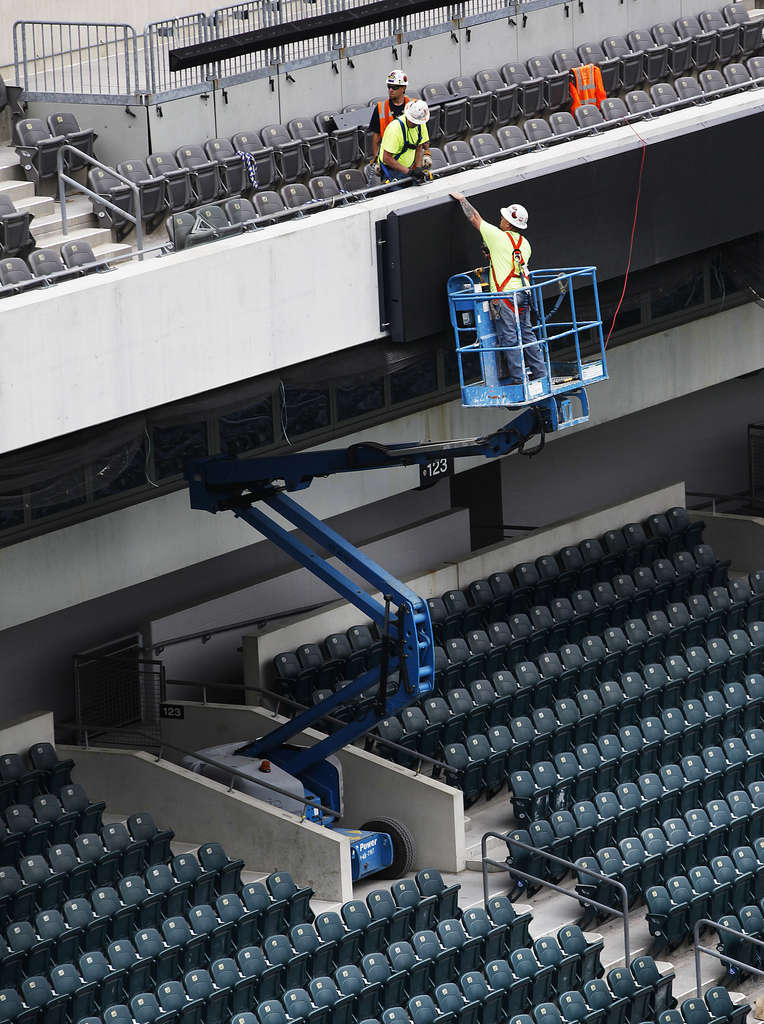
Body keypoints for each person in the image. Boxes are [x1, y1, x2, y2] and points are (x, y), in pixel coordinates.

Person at [450, 191, 547, 385]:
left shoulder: (497, 236)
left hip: (506, 296)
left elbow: (474, 218)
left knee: (509, 338)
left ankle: (519, 381)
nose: (500, 220)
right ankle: (541, 374)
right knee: (527, 334)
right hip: (523, 293)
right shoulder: (524, 244)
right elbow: (511, 263)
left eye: (503, 218)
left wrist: (462, 200)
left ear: (509, 223)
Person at [367, 71, 432, 181]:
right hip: (391, 158)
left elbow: (421, 138)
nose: (390, 90)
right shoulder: (380, 108)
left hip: (409, 160)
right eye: (389, 87)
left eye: (394, 87)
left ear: (403, 88)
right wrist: (376, 158)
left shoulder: (414, 107)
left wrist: (427, 152)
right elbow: (376, 137)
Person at [376, 100, 430, 183]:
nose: (414, 124)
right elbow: (387, 158)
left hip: (409, 169)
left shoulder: (420, 124)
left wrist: (418, 168)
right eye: (413, 121)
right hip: (391, 171)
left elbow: (419, 146)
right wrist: (409, 172)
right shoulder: (395, 129)